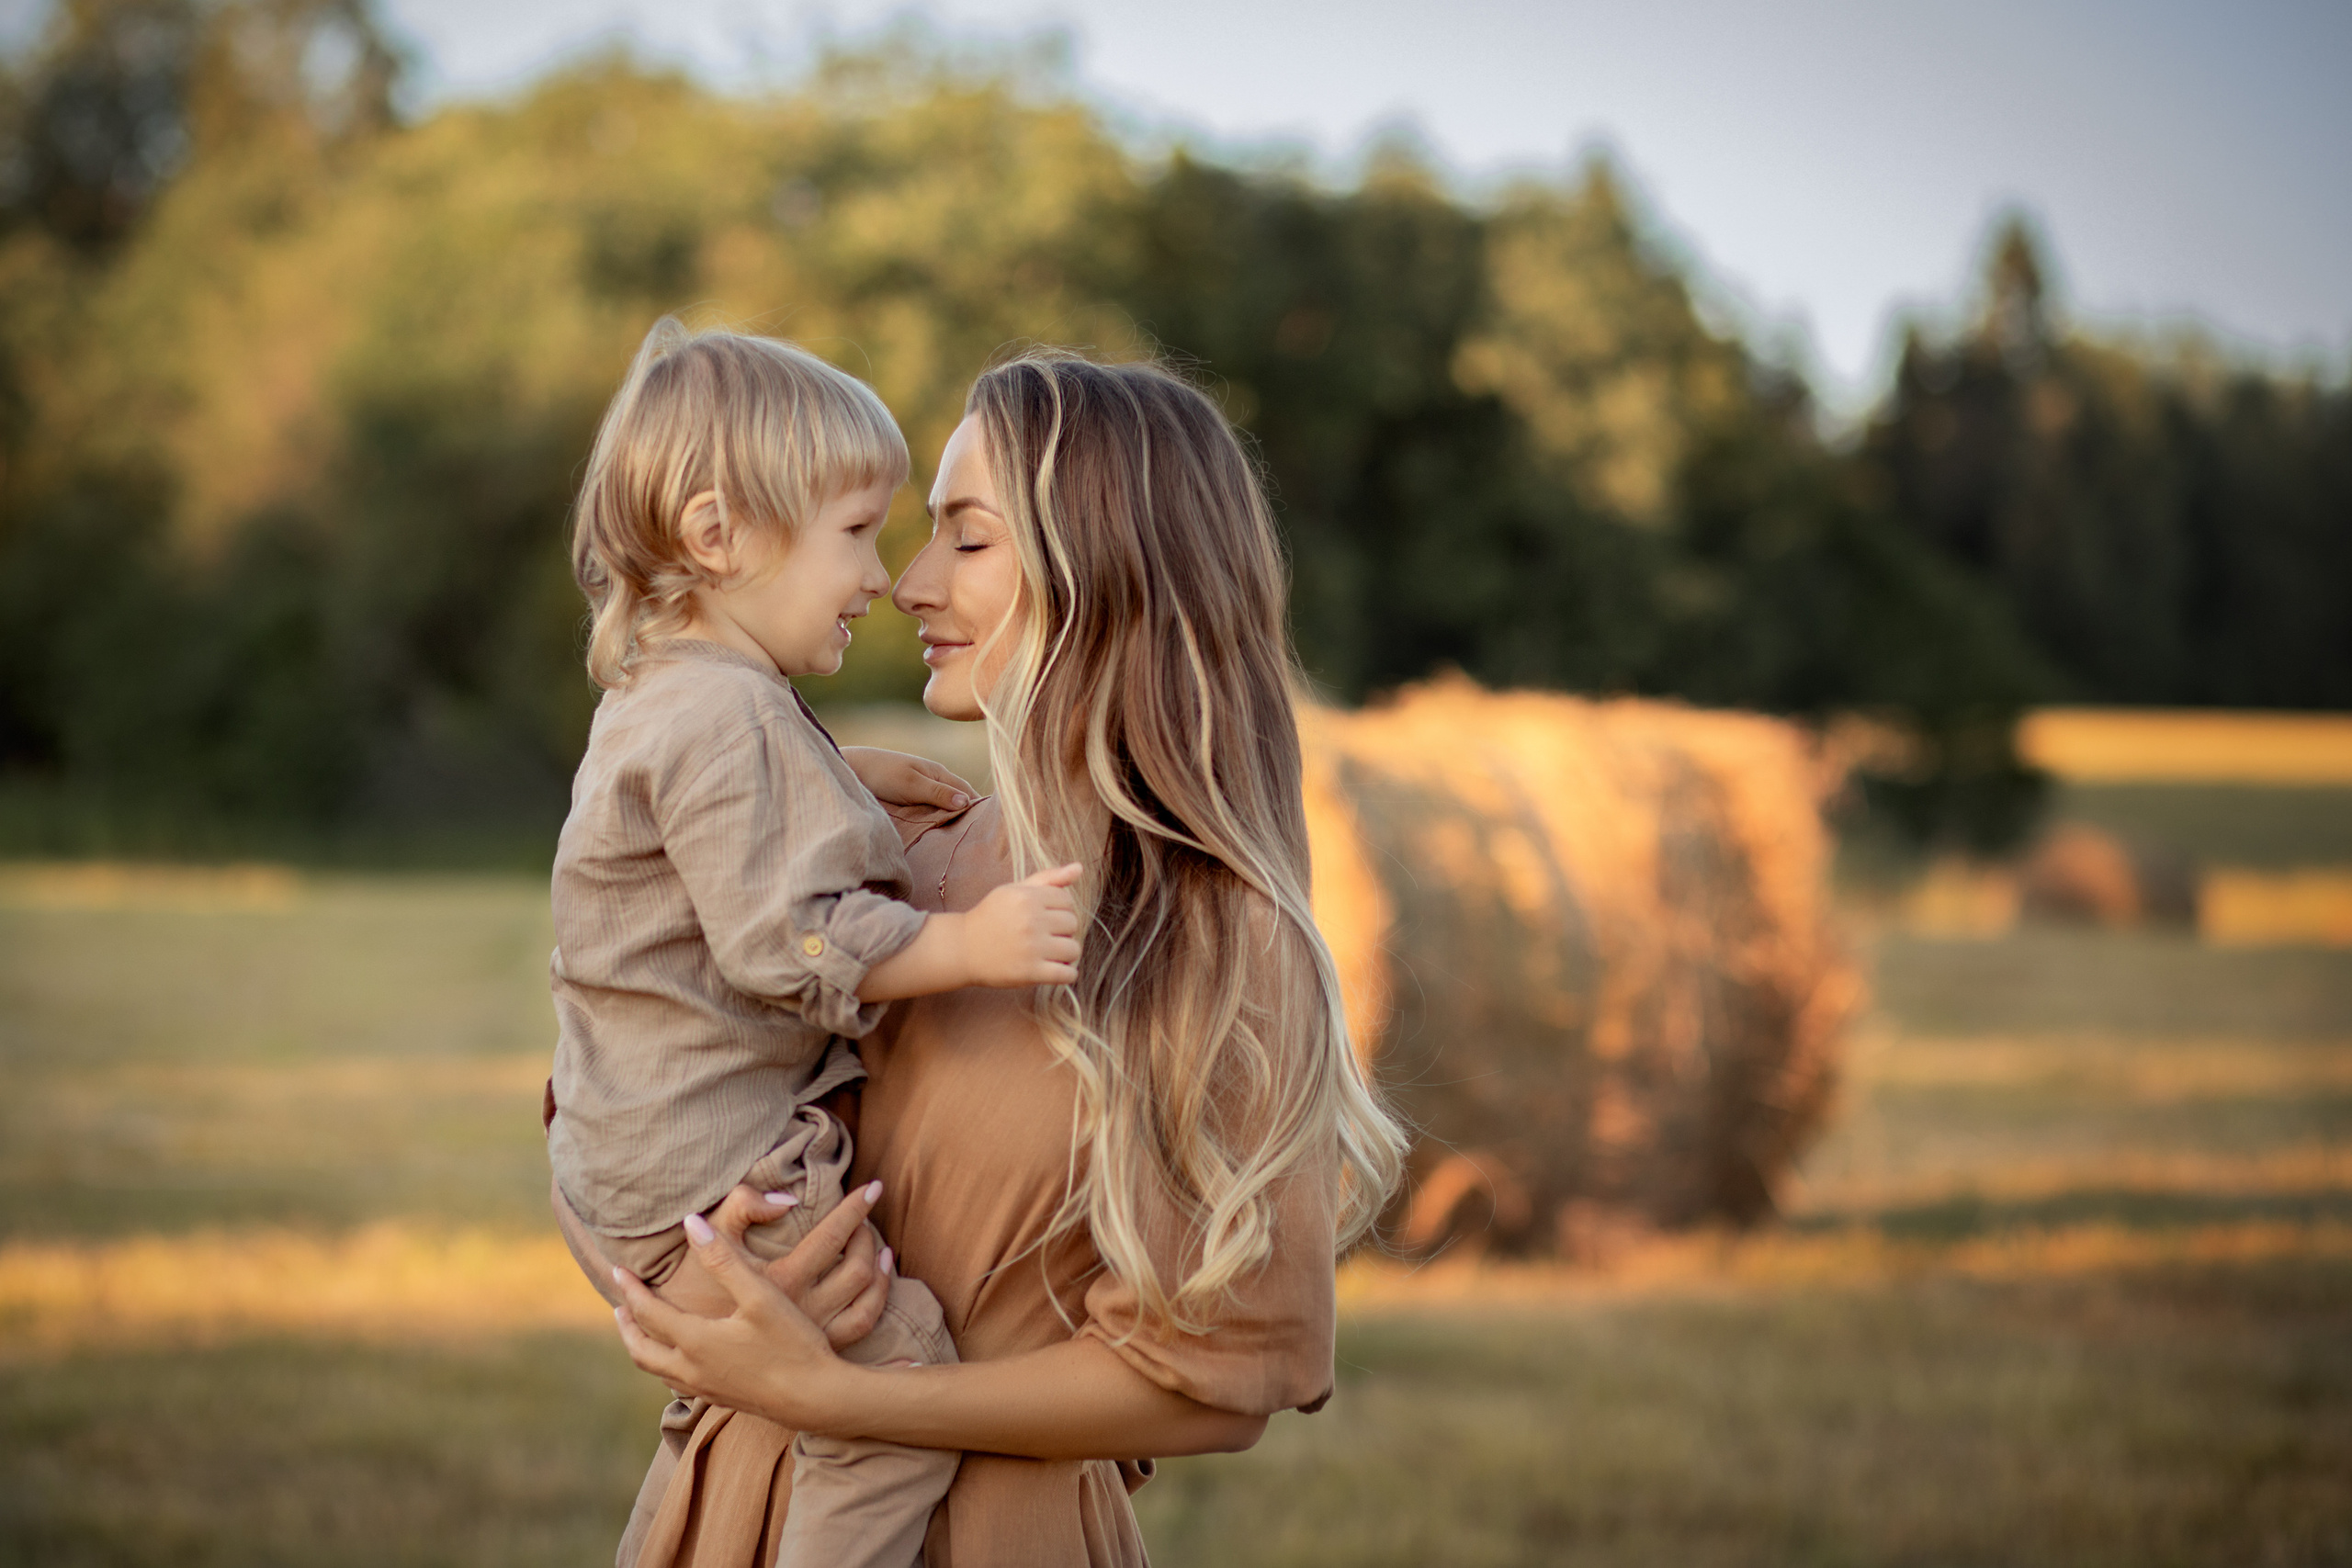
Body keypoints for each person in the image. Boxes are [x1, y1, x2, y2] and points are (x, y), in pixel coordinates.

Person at [590, 350, 1408, 1565]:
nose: (906, 583)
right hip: (721, 1507)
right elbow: (638, 1068)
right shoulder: (884, 845)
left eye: (966, 542)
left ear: (1115, 574)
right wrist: (676, 1290)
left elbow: (1217, 1388)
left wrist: (849, 1401)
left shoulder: (1216, 942)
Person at [547, 318, 1089, 1568]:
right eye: (857, 532)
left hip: (644, 1152)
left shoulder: (667, 698)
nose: (885, 574)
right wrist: (967, 946)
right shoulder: (725, 716)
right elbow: (790, 944)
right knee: (891, 1383)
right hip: (707, 1163)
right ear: (717, 535)